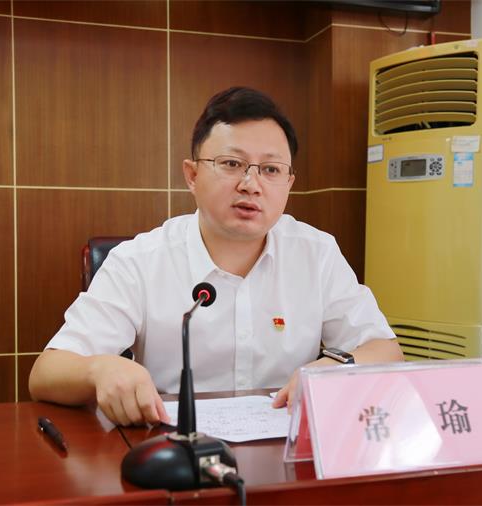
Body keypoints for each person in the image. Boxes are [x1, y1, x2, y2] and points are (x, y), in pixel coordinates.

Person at [29, 87, 403, 426]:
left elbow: (384, 349)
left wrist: (331, 369)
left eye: (271, 170)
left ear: (288, 183)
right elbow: (46, 373)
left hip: (284, 449)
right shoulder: (139, 260)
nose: (251, 185)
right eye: (231, 164)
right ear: (192, 175)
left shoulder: (316, 253)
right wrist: (99, 370)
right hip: (174, 451)